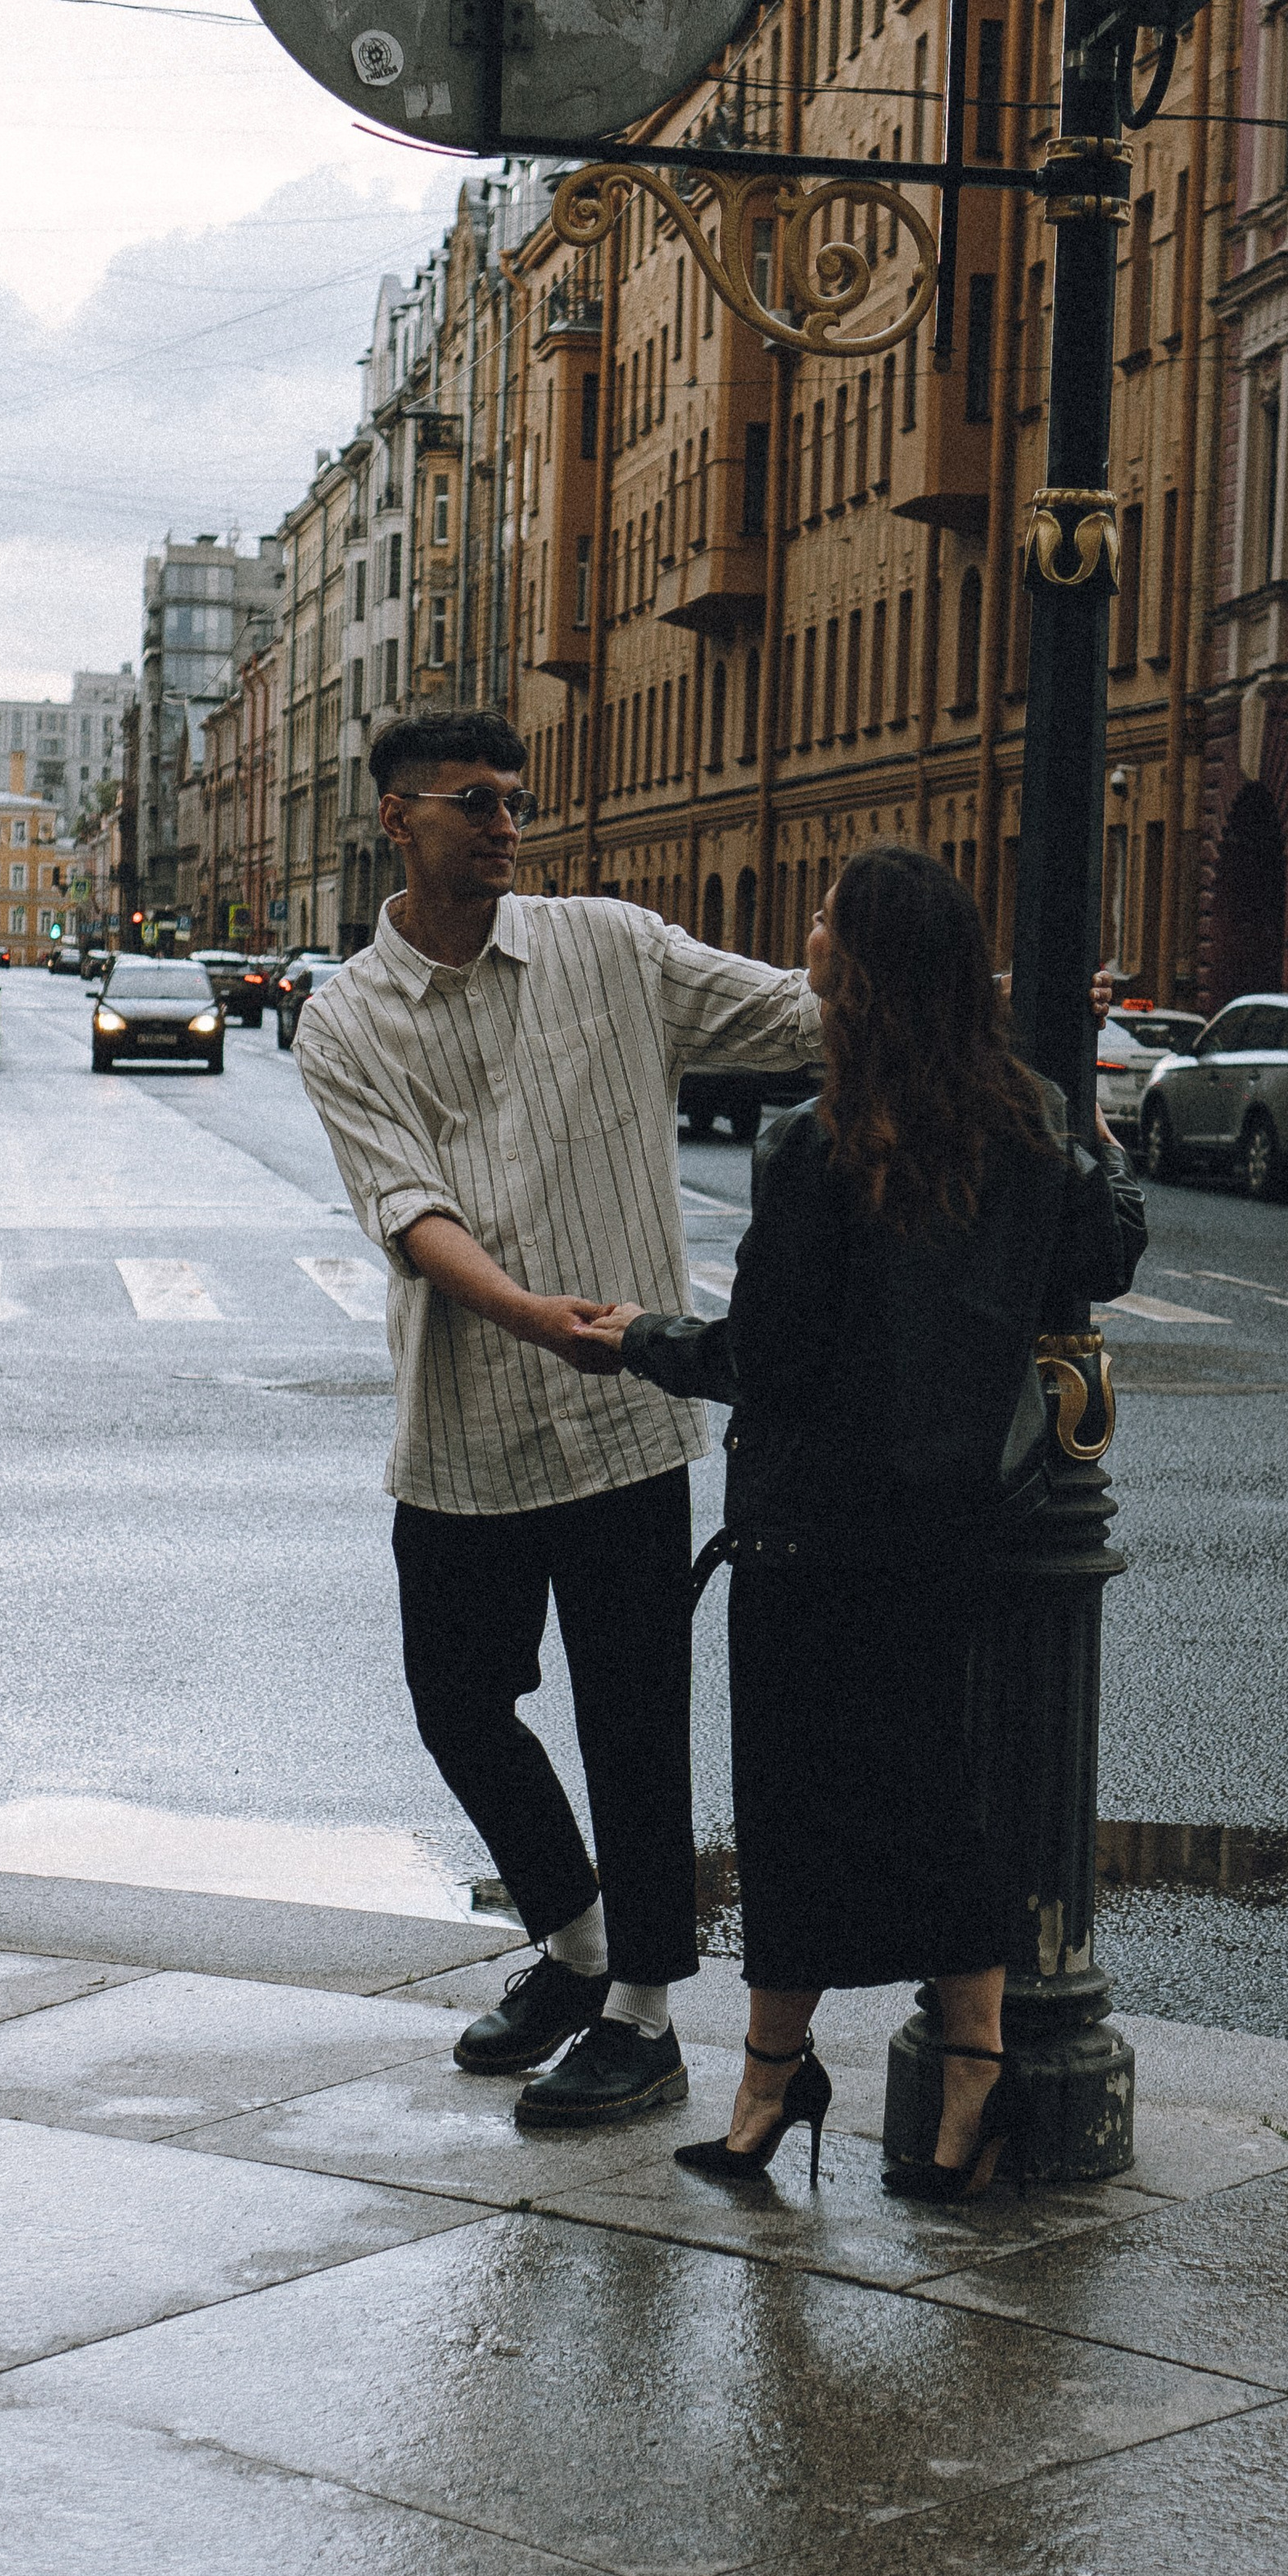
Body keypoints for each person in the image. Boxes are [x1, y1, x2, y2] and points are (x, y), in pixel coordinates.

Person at [575, 845, 1147, 2205]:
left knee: (794, 1808)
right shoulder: (1025, 1124)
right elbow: (1106, 1253)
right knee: (937, 1800)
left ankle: (775, 2084)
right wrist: (1087, 1133)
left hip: (808, 1530)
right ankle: (975, 2081)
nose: (810, 928)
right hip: (954, 1523)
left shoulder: (811, 1144)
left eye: (826, 915)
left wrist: (635, 1340)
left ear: (863, 963)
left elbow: (767, 1359)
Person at [293, 709, 826, 2130]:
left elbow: (794, 1018)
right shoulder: (345, 1017)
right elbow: (411, 1214)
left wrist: (921, 991)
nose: (509, 823)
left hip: (622, 1431)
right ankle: (574, 1945)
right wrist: (543, 1320)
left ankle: (645, 2014)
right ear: (400, 818)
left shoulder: (614, 947)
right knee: (456, 1703)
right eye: (477, 801)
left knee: (635, 1724)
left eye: (517, 799)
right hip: (466, 1427)